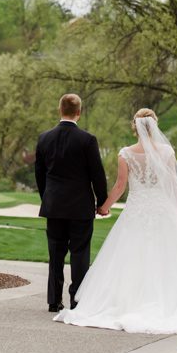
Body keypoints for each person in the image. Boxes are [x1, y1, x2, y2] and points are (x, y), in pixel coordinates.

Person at [54, 108, 177, 334]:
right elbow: (173, 186)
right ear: (155, 126)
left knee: (130, 255)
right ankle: (170, 304)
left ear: (134, 127)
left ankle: (126, 303)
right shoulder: (166, 152)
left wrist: (104, 207)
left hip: (136, 212)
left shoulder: (126, 153)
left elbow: (120, 186)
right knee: (168, 258)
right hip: (163, 211)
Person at [35, 93, 108, 313]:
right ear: (79, 112)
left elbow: (39, 174)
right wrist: (102, 202)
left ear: (60, 110)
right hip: (80, 208)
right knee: (80, 254)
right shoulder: (87, 140)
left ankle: (53, 300)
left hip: (54, 205)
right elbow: (98, 175)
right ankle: (77, 299)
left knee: (55, 254)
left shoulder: (44, 138)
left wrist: (47, 197)